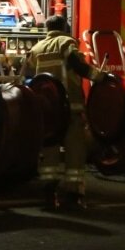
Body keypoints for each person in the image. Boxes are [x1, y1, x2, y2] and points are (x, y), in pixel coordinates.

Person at [23, 14, 102, 210]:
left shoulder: (37, 48)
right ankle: (73, 196)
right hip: (70, 107)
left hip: (48, 111)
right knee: (75, 150)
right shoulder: (67, 43)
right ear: (64, 28)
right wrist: (100, 76)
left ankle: (49, 195)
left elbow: (27, 75)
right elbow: (78, 65)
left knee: (49, 152)